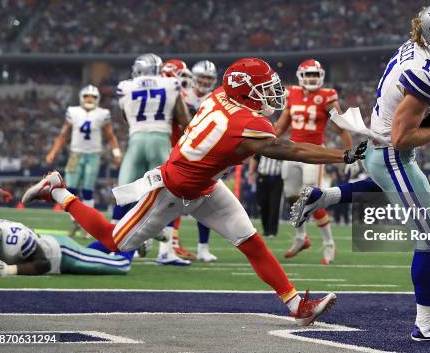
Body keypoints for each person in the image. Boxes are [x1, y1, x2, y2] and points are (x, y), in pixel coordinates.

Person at [22, 57, 367, 326]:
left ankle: (296, 306)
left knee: (250, 240)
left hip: (205, 186)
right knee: (116, 242)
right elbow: (291, 149)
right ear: (246, 91)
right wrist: (344, 153)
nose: (271, 94)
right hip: (171, 190)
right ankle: (58, 192)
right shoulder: (244, 123)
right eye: (264, 88)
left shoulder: (221, 96)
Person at [291, 0, 430, 342]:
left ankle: (324, 197)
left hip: (383, 153)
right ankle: (426, 323)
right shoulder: (428, 74)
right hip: (392, 152)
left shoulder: (415, 47)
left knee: (392, 188)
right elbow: (402, 136)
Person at [112, 53, 192, 266]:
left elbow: (124, 115)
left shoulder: (126, 87)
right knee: (170, 193)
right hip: (161, 139)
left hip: (136, 140)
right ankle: (165, 248)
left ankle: (115, 246)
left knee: (125, 191)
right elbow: (185, 120)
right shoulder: (171, 84)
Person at [275, 59, 353, 264]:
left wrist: (350, 154)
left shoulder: (327, 96)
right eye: (308, 75)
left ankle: (329, 244)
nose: (312, 78)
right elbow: (280, 127)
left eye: (315, 75)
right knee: (292, 195)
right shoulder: (291, 94)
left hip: (314, 153)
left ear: (321, 77)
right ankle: (301, 237)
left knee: (310, 197)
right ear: (301, 76)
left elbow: (340, 127)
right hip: (292, 151)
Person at [46, 85, 122, 237]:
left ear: (97, 99)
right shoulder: (73, 111)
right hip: (75, 154)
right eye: (87, 96)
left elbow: (110, 135)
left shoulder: (102, 113)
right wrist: (53, 151)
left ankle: (89, 225)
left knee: (88, 191)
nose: (89, 99)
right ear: (81, 97)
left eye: (93, 97)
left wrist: (116, 153)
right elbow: (63, 135)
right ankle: (75, 220)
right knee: (70, 190)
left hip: (93, 155)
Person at [162, 59, 218, 262]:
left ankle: (203, 247)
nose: (204, 81)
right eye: (202, 77)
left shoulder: (215, 98)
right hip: (177, 151)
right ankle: (168, 245)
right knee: (171, 199)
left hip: (203, 155)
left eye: (208, 78)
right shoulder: (181, 92)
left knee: (206, 200)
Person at [0, 219, 132, 277]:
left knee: (121, 265)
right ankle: (114, 241)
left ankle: (134, 237)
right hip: (50, 246)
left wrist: (10, 269)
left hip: (62, 254)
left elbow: (43, 264)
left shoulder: (15, 239)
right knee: (89, 253)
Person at [248, 155, 283, 237]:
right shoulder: (263, 144)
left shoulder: (282, 146)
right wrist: (251, 172)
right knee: (263, 204)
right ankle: (266, 230)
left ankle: (272, 231)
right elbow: (255, 158)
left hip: (277, 178)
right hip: (263, 176)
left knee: (275, 204)